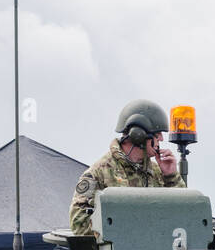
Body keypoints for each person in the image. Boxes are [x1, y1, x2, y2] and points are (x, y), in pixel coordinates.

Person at [69, 99, 184, 236]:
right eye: (157, 134)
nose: (161, 139)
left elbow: (183, 213)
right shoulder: (98, 173)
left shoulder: (158, 172)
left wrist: (171, 176)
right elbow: (78, 223)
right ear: (138, 134)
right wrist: (122, 230)